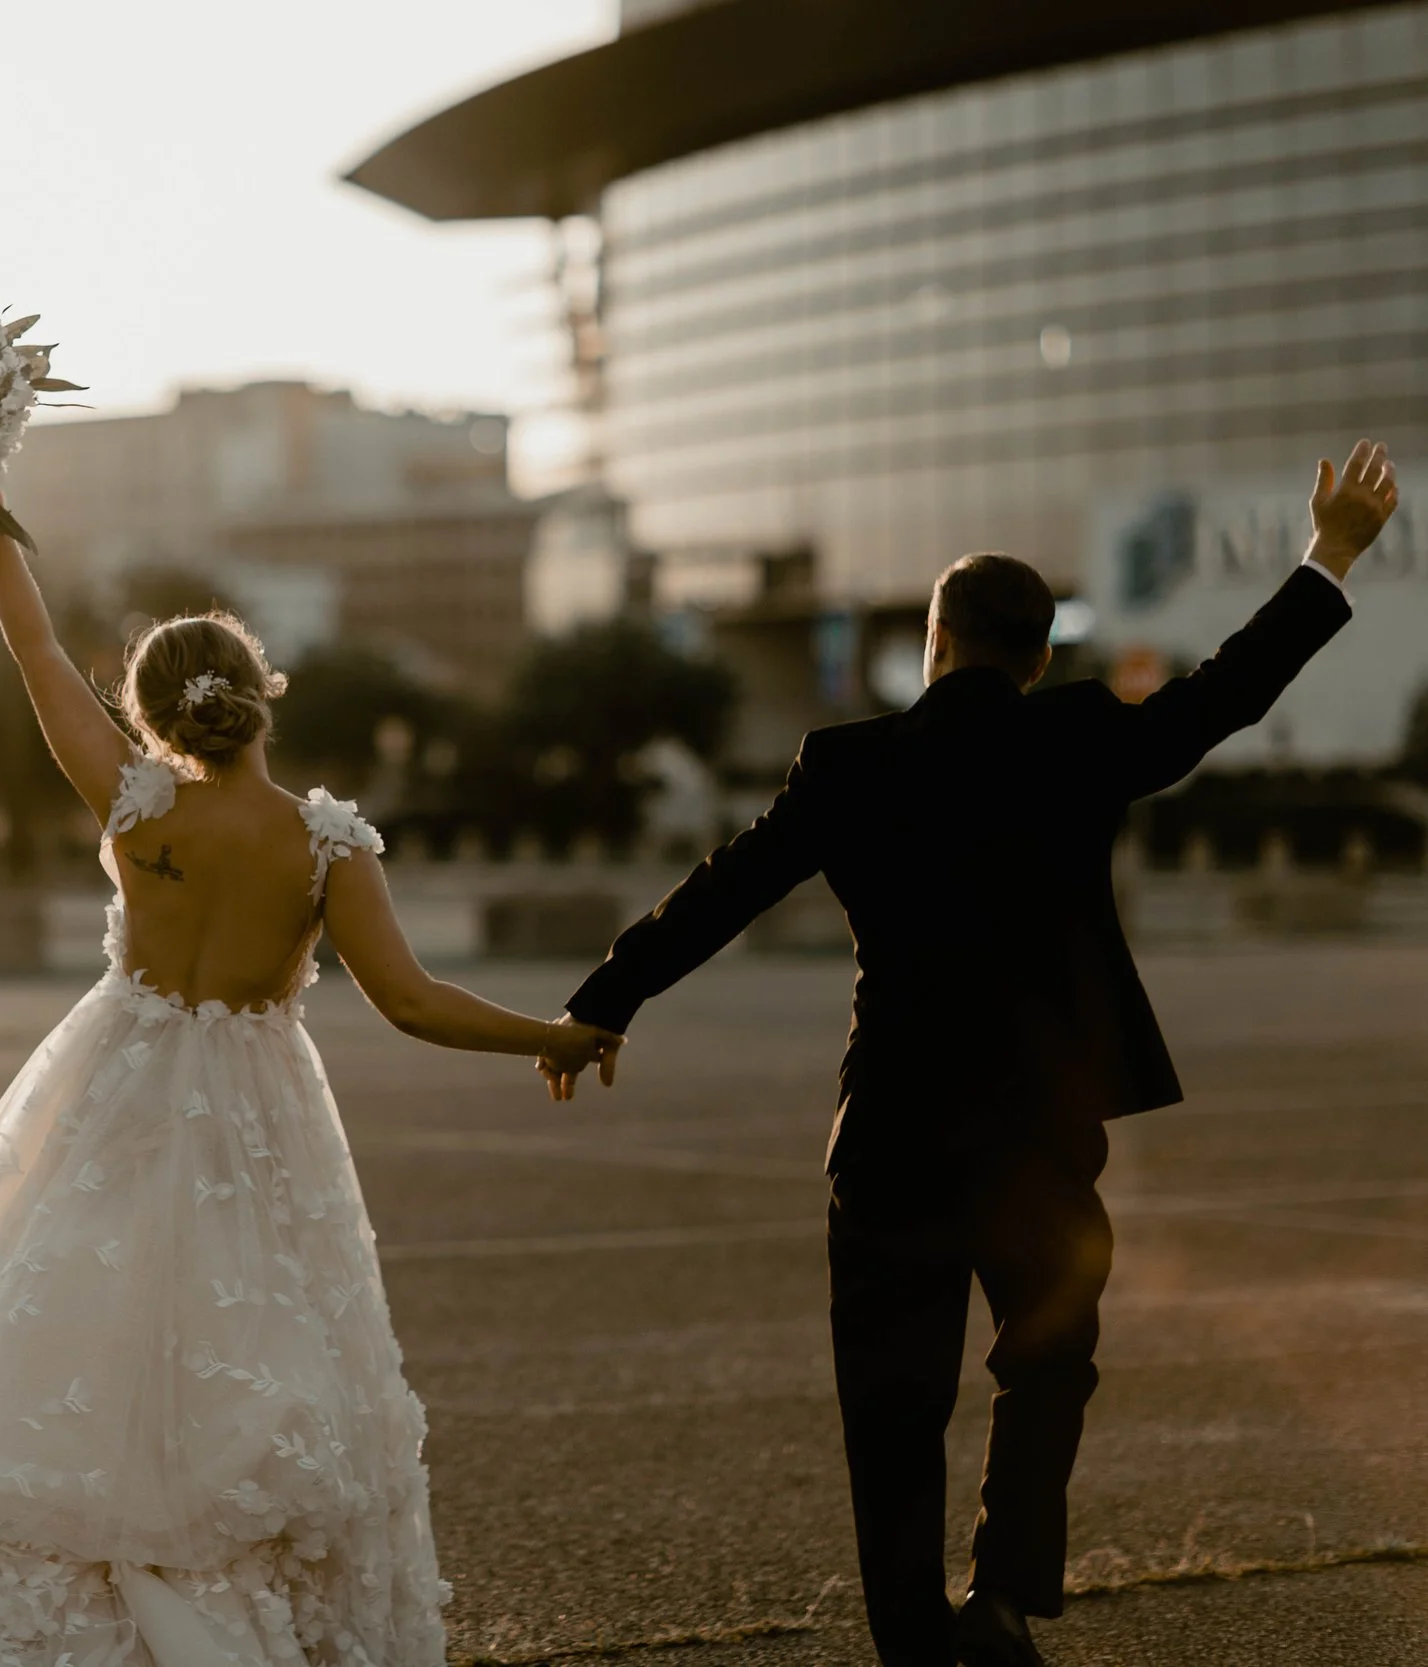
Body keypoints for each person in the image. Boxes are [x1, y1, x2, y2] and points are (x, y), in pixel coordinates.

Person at [540, 441, 1400, 1667]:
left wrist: (603, 1000)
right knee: (1046, 1360)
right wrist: (1331, 554)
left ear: (933, 644)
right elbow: (1227, 691)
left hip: (890, 1120)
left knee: (891, 1402)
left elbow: (724, 886)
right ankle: (1001, 1600)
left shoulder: (848, 764)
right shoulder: (1079, 736)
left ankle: (909, 1636)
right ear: (1039, 652)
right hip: (1040, 1123)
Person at [0, 487, 611, 1667]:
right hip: (253, 1108)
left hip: (114, 1086)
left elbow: (32, 647)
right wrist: (546, 1034)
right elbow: (409, 1000)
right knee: (252, 1340)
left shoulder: (136, 808)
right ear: (261, 696)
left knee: (70, 1313)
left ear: (142, 712)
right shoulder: (324, 841)